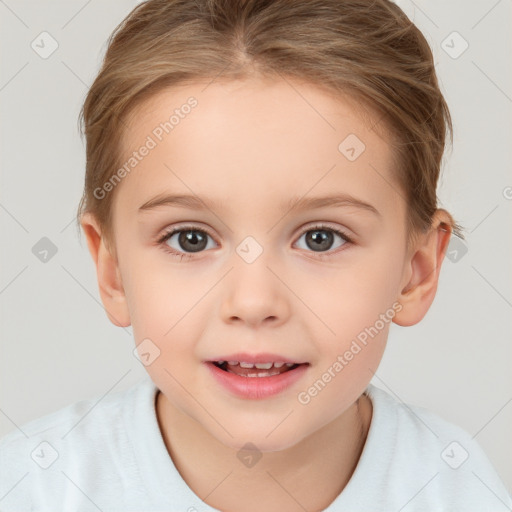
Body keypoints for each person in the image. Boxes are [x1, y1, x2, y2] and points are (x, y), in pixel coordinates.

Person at [1, 0, 511, 510]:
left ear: (415, 272)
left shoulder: (455, 489)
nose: (253, 301)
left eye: (321, 238)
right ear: (112, 271)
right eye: (190, 239)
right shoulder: (34, 488)